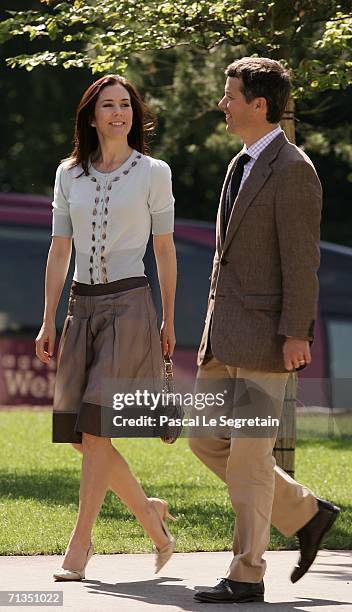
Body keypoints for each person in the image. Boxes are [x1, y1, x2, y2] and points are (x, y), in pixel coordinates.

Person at [189, 57, 340, 604]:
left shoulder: (294, 169)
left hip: (266, 341)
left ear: (260, 104)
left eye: (231, 95)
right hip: (223, 334)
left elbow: (302, 262)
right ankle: (306, 511)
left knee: (251, 460)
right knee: (206, 440)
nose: (223, 104)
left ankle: (247, 574)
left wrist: (296, 332)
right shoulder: (239, 164)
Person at [35, 74, 177, 581]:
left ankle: (80, 544)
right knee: (81, 436)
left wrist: (168, 319)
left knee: (96, 431)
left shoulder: (153, 172)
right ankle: (152, 518)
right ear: (91, 117)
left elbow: (164, 250)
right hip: (80, 307)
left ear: (134, 114)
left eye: (126, 105)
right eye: (108, 106)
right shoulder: (67, 174)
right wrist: (49, 317)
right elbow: (59, 249)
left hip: (129, 306)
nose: (119, 113)